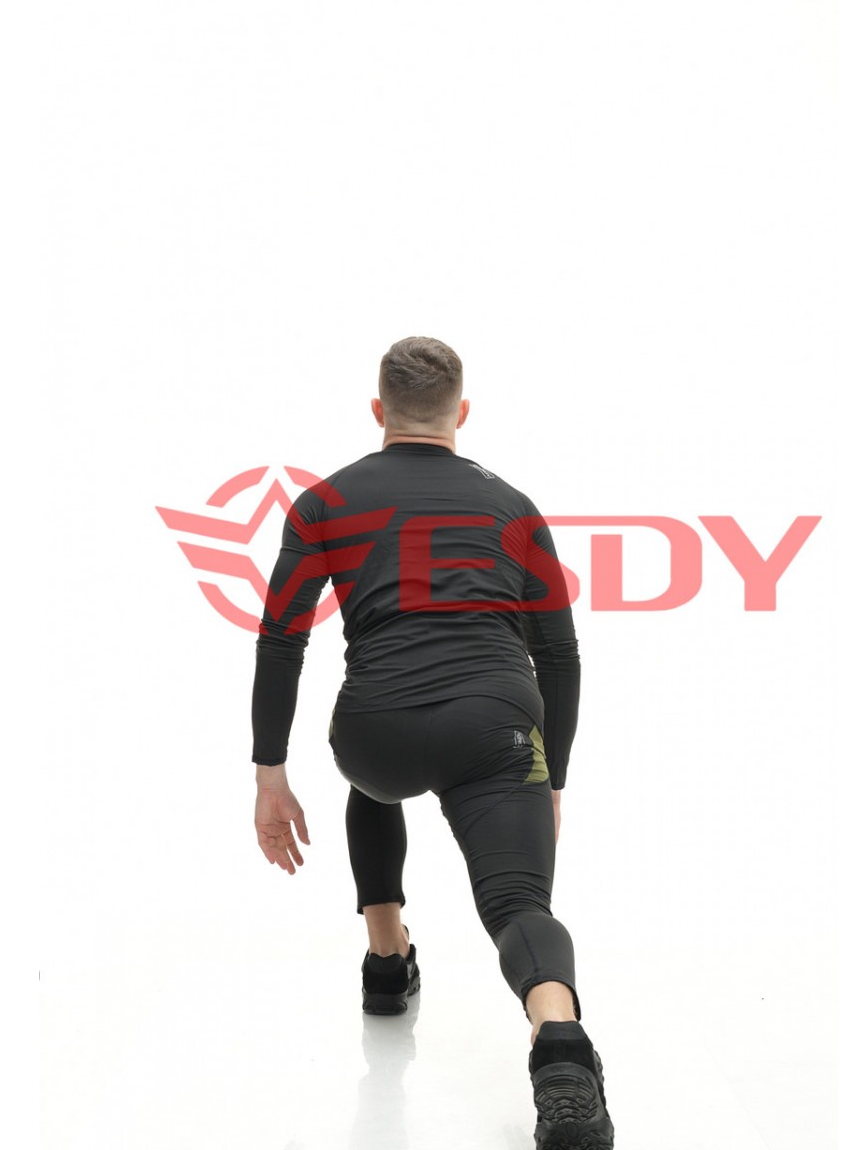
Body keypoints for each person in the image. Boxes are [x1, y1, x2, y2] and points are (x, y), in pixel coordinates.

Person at [249, 337, 614, 1149]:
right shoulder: (513, 507)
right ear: (463, 413)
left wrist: (270, 775)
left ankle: (386, 961)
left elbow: (281, 640)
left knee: (372, 781)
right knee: (518, 905)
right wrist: (552, 778)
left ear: (378, 411)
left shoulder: (324, 502)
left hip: (373, 730)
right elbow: (559, 655)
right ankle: (558, 1039)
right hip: (495, 727)